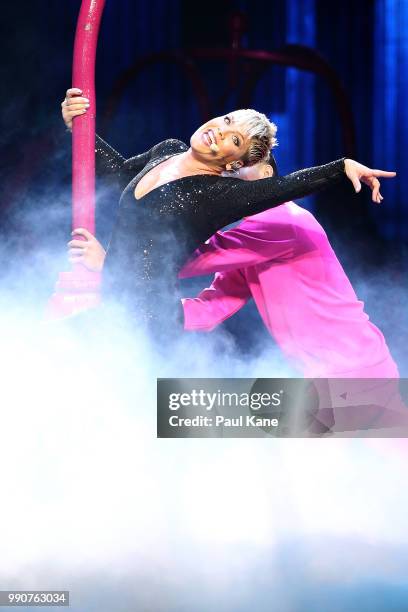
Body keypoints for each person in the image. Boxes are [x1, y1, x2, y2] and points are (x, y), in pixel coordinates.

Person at [62, 88, 394, 332]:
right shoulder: (167, 149)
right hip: (116, 301)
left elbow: (286, 185)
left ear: (233, 163)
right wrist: (77, 126)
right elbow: (119, 173)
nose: (220, 132)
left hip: (146, 320)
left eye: (234, 141)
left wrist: (341, 166)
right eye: (227, 121)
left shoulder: (218, 194)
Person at [179, 160, 398, 379]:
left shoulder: (281, 221)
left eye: (238, 166)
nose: (227, 172)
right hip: (332, 375)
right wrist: (156, 310)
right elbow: (212, 308)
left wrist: (166, 223)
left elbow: (185, 260)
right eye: (226, 167)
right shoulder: (251, 240)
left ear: (265, 173)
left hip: (357, 372)